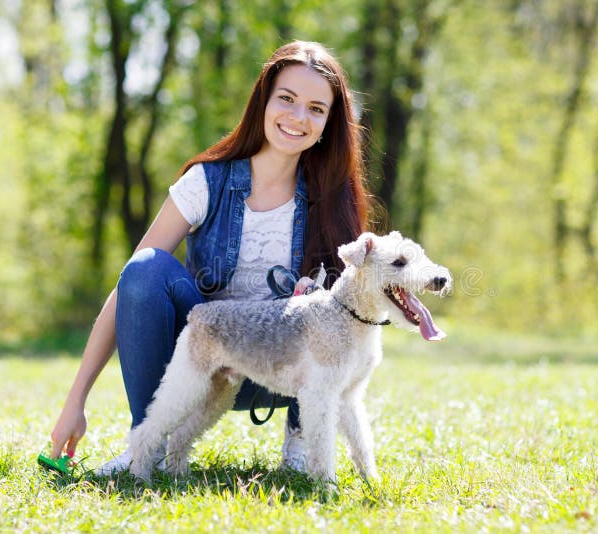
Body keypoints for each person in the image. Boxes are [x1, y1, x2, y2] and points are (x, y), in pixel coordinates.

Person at [48, 40, 372, 475]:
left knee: (339, 313)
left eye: (316, 108)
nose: (298, 117)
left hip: (286, 377)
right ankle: (149, 445)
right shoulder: (207, 182)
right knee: (146, 268)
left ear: (328, 123)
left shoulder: (333, 200)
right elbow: (129, 287)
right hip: (199, 363)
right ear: (263, 101)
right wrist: (76, 401)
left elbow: (352, 321)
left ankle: (301, 442)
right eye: (287, 99)